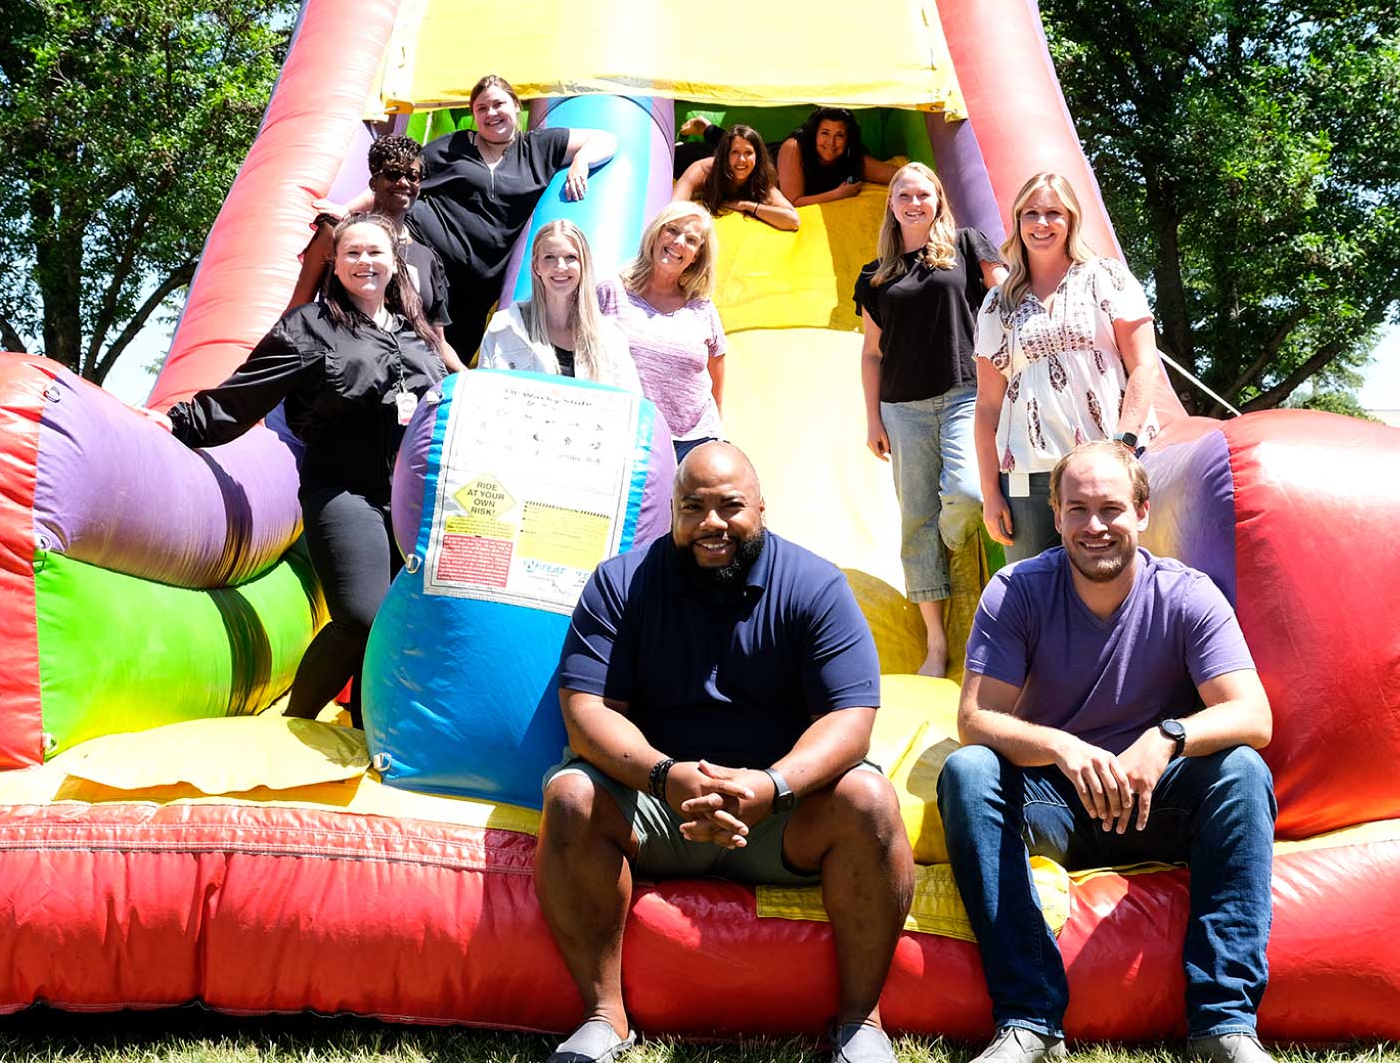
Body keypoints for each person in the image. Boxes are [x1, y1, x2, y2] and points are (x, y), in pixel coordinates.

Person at [535, 442, 914, 1063]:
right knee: (572, 793)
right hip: (659, 807)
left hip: (777, 816)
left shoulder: (815, 586)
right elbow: (585, 714)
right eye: (694, 507)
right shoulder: (621, 583)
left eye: (731, 506)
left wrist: (773, 785)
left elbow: (851, 719)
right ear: (673, 515)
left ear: (762, 508)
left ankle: (860, 1025)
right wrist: (665, 775)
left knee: (868, 798)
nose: (713, 523)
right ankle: (603, 1017)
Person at [935, 441, 1277, 1063]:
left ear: (1143, 512)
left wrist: (1167, 737)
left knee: (1242, 770)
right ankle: (1029, 1020)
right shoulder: (1017, 590)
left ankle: (1224, 1024)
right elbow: (974, 721)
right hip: (1056, 804)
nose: (1095, 527)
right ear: (1057, 514)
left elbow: (1254, 716)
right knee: (969, 771)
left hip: (1158, 802)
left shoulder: (1187, 594)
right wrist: (1062, 747)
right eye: (1078, 509)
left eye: (1111, 509)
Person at [154, 214, 453, 722]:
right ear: (334, 265)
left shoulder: (415, 335)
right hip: (342, 489)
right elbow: (245, 391)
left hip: (408, 501)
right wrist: (176, 423)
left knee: (395, 627)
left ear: (395, 263)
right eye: (352, 253)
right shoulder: (310, 326)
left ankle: (365, 731)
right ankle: (296, 719)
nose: (364, 262)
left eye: (375, 252)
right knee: (362, 617)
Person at [854, 162, 1005, 678]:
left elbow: (1007, 296)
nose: (914, 203)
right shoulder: (875, 276)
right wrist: (872, 417)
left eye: (924, 195)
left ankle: (955, 540)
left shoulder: (967, 245)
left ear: (939, 200)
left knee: (966, 494)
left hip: (964, 393)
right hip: (903, 408)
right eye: (904, 196)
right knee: (915, 523)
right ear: (892, 206)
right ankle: (936, 645)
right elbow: (872, 353)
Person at [973, 172, 1167, 563]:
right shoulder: (997, 303)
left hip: (1107, 461)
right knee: (1035, 597)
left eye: (1053, 213)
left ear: (1071, 220)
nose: (1041, 223)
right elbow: (987, 407)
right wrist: (991, 491)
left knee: (1112, 582)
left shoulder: (1105, 277)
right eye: (1031, 213)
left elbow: (1145, 364)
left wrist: (1122, 446)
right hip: (1029, 474)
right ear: (1017, 220)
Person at [406, 74, 618, 363]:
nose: (491, 113)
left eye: (498, 104)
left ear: (517, 106)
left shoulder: (537, 148)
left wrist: (580, 161)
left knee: (448, 356)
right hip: (427, 252)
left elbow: (605, 139)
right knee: (412, 342)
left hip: (476, 287)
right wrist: (352, 209)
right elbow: (402, 180)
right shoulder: (453, 146)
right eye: (482, 108)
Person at [600, 203, 726, 462]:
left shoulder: (702, 308)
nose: (678, 242)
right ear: (657, 233)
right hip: (627, 434)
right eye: (672, 230)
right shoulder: (611, 291)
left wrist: (719, 432)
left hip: (694, 440)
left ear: (697, 255)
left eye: (691, 240)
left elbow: (717, 366)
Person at [295, 134, 452, 328]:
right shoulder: (336, 234)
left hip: (406, 356)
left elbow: (437, 340)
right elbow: (297, 308)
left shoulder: (426, 257)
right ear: (373, 183)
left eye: (412, 176)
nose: (403, 182)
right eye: (393, 174)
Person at [477, 220, 641, 391]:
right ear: (536, 266)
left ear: (583, 264)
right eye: (550, 257)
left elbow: (630, 405)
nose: (560, 267)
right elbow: (483, 398)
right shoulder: (505, 328)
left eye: (571, 257)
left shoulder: (611, 338)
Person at [672, 123, 800, 232]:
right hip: (687, 157)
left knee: (735, 143)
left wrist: (747, 205)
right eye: (735, 152)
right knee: (678, 153)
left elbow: (793, 220)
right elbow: (674, 207)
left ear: (757, 157)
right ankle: (686, 140)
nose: (742, 159)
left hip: (719, 154)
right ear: (726, 155)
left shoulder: (760, 180)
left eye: (748, 153)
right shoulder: (704, 170)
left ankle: (706, 127)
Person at [777, 107, 900, 207]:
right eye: (825, 133)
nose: (831, 142)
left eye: (839, 135)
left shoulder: (852, 156)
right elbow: (792, 202)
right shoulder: (793, 148)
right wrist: (838, 194)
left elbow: (899, 175)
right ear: (814, 134)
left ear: (848, 140)